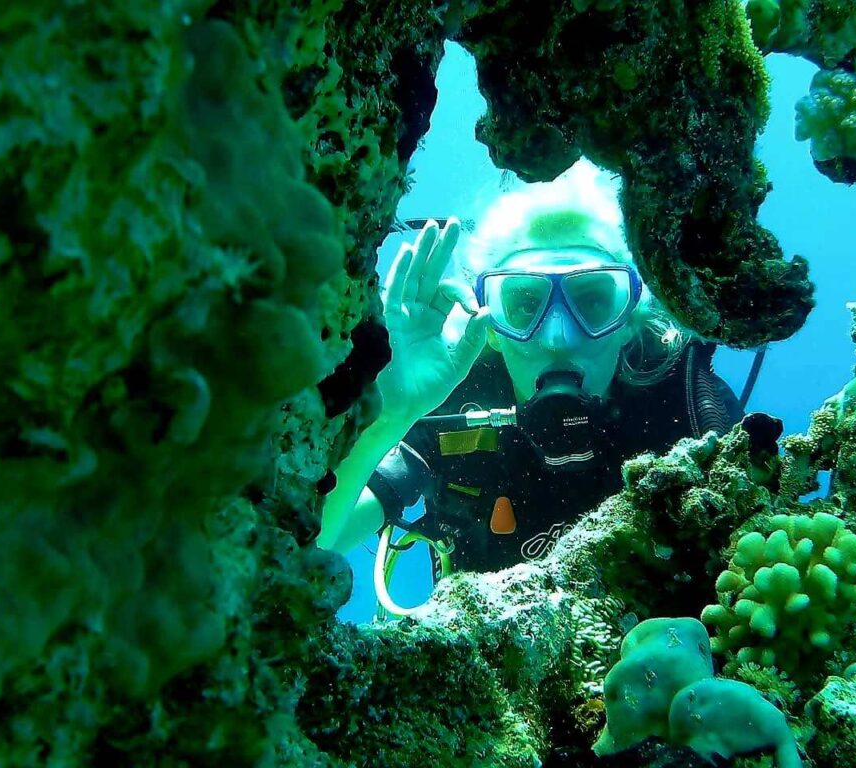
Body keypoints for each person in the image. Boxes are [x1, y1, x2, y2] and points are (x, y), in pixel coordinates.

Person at [318, 161, 743, 592]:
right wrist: (388, 419)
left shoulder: (683, 402)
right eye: (524, 304)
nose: (558, 337)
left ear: (630, 319)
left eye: (593, 300)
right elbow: (309, 546)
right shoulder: (447, 402)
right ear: (493, 330)